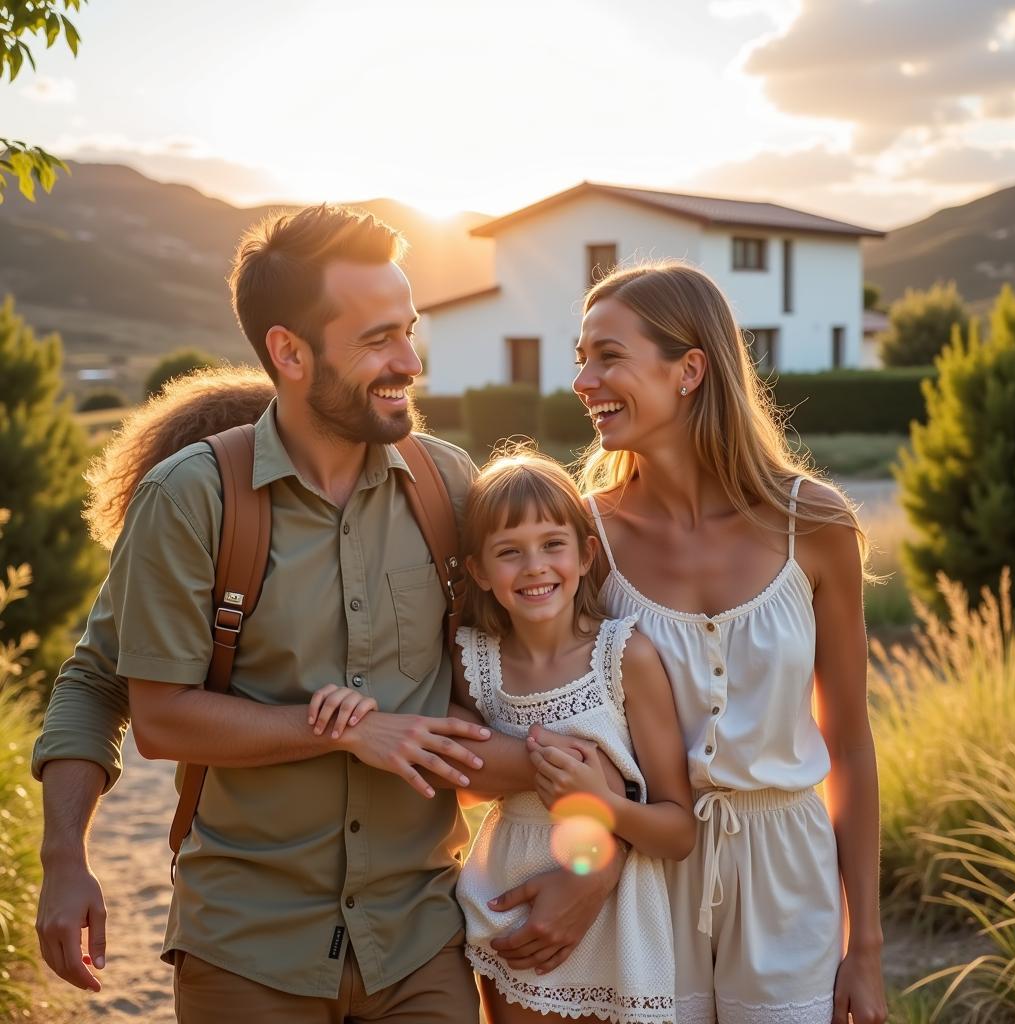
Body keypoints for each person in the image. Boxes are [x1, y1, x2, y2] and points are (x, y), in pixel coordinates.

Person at [32, 204, 628, 1022]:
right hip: (246, 947)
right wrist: (65, 857)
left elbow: (563, 666)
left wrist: (599, 847)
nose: (410, 361)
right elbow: (135, 702)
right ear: (290, 352)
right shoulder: (192, 499)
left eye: (409, 330)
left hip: (423, 940)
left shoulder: (448, 487)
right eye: (379, 338)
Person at [553, 259, 889, 1024]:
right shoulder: (585, 536)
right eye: (581, 359)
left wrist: (864, 946)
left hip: (789, 876)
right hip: (647, 871)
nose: (583, 381)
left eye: (608, 356)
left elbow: (852, 745)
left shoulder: (817, 523)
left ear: (689, 370)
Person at [446, 449, 694, 1024]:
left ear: (585, 555)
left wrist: (604, 805)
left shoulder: (623, 656)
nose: (534, 566)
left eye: (552, 544)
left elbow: (678, 829)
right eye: (509, 552)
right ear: (479, 570)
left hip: (618, 913)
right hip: (507, 901)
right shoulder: (471, 662)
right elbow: (461, 783)